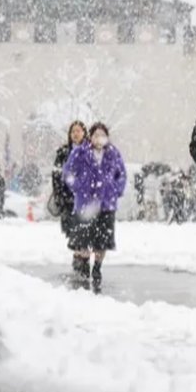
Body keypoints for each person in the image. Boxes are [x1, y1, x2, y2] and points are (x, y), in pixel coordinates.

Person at [62, 122, 127, 290]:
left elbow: (122, 175)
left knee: (101, 242)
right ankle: (84, 269)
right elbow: (67, 172)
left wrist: (115, 190)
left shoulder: (113, 153)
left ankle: (97, 267)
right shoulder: (80, 152)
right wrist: (77, 186)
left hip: (106, 205)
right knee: (84, 241)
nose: (99, 138)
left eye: (102, 135)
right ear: (90, 137)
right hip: (85, 205)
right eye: (96, 135)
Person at [52, 121, 86, 264]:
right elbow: (56, 175)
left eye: (78, 131)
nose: (75, 134)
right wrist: (60, 195)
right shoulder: (63, 153)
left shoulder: (89, 152)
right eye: (73, 131)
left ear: (84, 133)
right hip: (69, 201)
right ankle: (79, 261)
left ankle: (82, 261)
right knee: (75, 234)